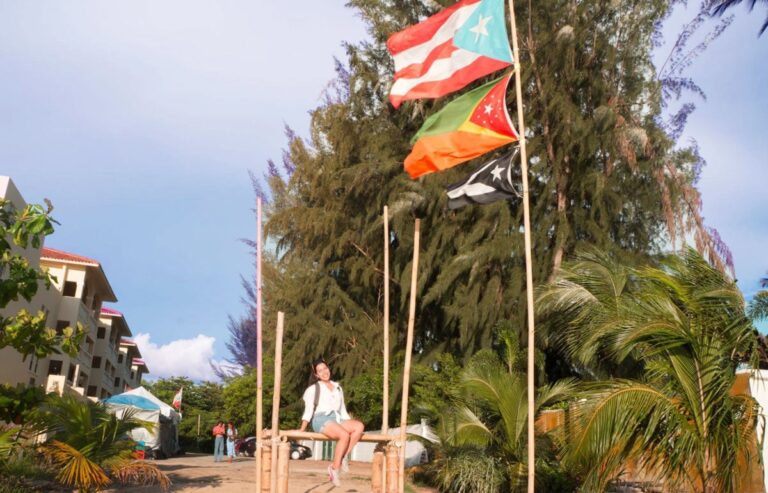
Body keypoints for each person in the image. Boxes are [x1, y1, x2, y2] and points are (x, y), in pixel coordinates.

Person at [299, 358, 364, 487]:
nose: (324, 372)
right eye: (320, 371)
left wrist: (349, 422)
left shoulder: (337, 387)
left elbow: (342, 409)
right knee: (344, 435)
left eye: (325, 368)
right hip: (320, 419)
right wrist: (302, 429)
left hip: (337, 419)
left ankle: (344, 456)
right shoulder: (313, 389)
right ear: (316, 375)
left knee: (359, 426)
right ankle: (334, 468)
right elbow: (309, 410)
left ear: (329, 369)